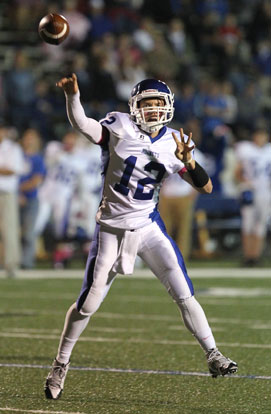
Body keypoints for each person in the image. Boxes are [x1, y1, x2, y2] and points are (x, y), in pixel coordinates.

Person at [44, 75, 238, 400]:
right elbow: (82, 124)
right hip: (111, 228)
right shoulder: (118, 126)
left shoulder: (174, 141)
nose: (152, 109)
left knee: (184, 292)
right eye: (146, 103)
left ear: (168, 107)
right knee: (88, 303)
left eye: (157, 103)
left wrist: (188, 161)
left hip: (148, 226)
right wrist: (72, 95)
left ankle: (213, 353)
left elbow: (206, 187)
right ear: (134, 106)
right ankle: (60, 364)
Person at [235, 129, 271, 266]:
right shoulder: (245, 149)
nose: (260, 138)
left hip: (265, 192)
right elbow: (237, 172)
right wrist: (245, 183)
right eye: (258, 135)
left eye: (263, 135)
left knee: (260, 225)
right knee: (247, 224)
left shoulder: (269, 150)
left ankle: (255, 256)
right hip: (249, 190)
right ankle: (248, 256)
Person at [19, 128, 46, 269]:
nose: (29, 140)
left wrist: (19, 190)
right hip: (15, 198)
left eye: (32, 137)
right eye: (27, 137)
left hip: (31, 199)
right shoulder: (17, 155)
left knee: (29, 232)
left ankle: (27, 263)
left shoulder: (38, 158)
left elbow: (36, 180)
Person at [0, 124, 24, 277]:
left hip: (6, 193)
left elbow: (13, 169)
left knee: (9, 229)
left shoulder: (12, 148)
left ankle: (11, 264)